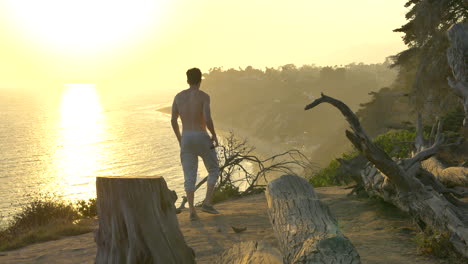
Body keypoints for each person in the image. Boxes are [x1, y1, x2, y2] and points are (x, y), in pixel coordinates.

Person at [171, 68, 220, 221]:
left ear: (187, 80)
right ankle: (207, 202)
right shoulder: (204, 96)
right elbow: (207, 118)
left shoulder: (178, 97)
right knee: (213, 169)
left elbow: (173, 120)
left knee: (189, 176)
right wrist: (214, 134)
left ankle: (192, 210)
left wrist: (180, 139)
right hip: (201, 136)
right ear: (200, 80)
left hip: (186, 137)